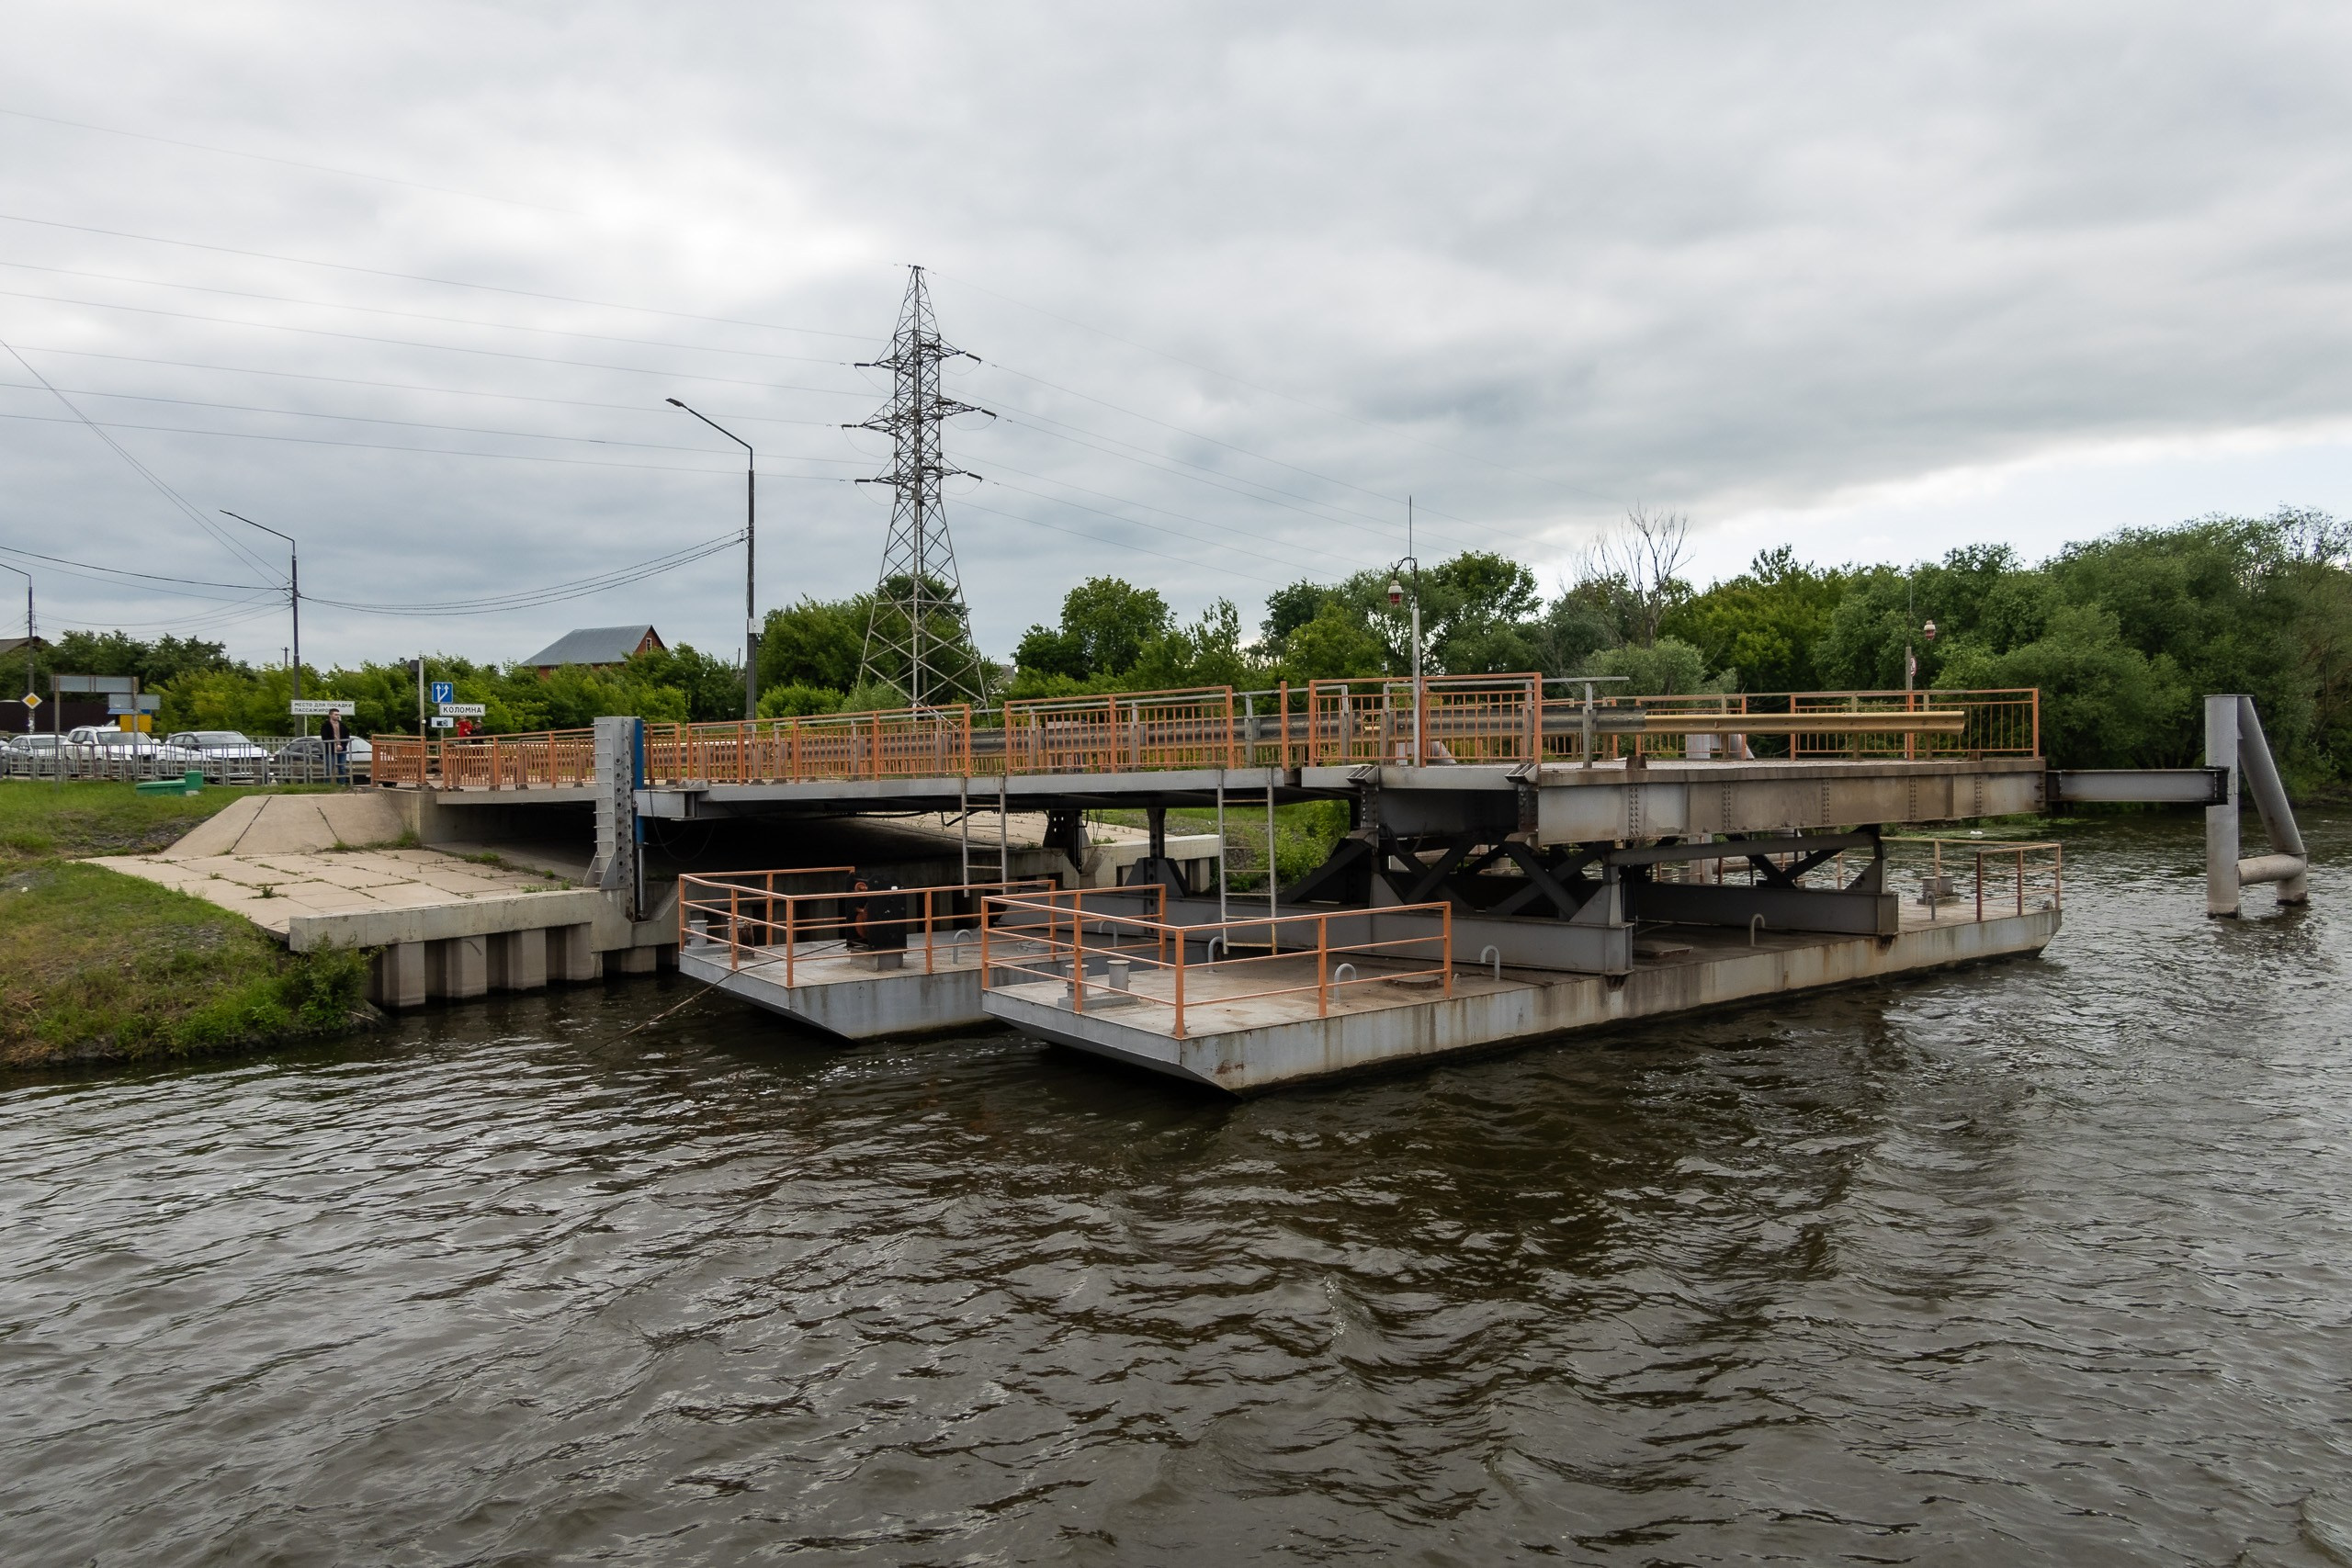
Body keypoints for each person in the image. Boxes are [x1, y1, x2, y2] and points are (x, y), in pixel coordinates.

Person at [322, 706, 347, 783]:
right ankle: (327, 784)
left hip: (342, 749)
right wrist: (335, 745)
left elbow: (347, 736)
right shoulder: (325, 725)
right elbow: (325, 737)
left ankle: (342, 784)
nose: (337, 716)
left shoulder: (342, 725)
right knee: (329, 767)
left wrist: (342, 745)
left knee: (342, 767)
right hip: (330, 749)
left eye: (338, 714)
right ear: (330, 715)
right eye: (336, 714)